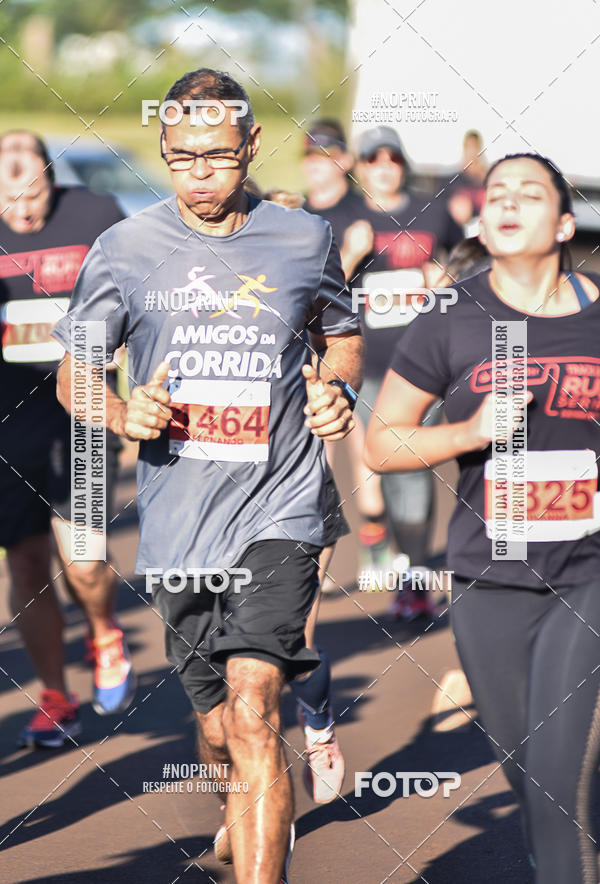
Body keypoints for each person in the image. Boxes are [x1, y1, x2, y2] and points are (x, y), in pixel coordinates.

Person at [54, 68, 363, 884]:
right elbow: (75, 373)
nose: (197, 174)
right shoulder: (125, 248)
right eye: (180, 156)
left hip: (281, 505)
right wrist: (121, 412)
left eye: (217, 156)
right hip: (179, 521)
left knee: (255, 707)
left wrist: (337, 390)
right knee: (220, 723)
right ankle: (239, 796)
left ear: (252, 145)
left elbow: (342, 335)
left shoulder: (305, 238)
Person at [365, 152, 600, 882]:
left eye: (529, 194)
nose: (507, 203)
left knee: (557, 783)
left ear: (565, 224)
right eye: (496, 193)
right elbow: (381, 443)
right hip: (488, 578)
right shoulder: (450, 317)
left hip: (588, 574)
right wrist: (469, 432)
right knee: (527, 777)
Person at [0, 131, 135, 748]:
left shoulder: (95, 214)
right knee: (25, 561)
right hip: (9, 424)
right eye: (10, 198)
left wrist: (128, 345)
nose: (24, 210)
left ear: (52, 180)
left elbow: (141, 287)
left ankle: (103, 629)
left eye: (34, 194)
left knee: (82, 558)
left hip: (80, 413)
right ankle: (55, 697)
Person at [349, 126, 462, 611]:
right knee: (386, 466)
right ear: (359, 167)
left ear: (403, 164)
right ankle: (402, 562)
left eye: (392, 159)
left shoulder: (433, 209)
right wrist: (351, 254)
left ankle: (413, 581)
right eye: (373, 159)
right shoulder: (343, 216)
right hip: (369, 366)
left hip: (423, 365)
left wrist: (448, 277)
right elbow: (317, 289)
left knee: (412, 467)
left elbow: (467, 263)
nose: (384, 167)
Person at [262, 184, 348, 803]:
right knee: (233, 661)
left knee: (291, 642)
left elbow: (345, 356)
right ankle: (251, 797)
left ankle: (318, 728)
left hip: (300, 492)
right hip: (216, 495)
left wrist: (333, 402)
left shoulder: (318, 313)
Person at [445, 130, 488, 230]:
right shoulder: (453, 181)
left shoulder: (489, 179)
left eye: (475, 147)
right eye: (469, 147)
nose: (472, 152)